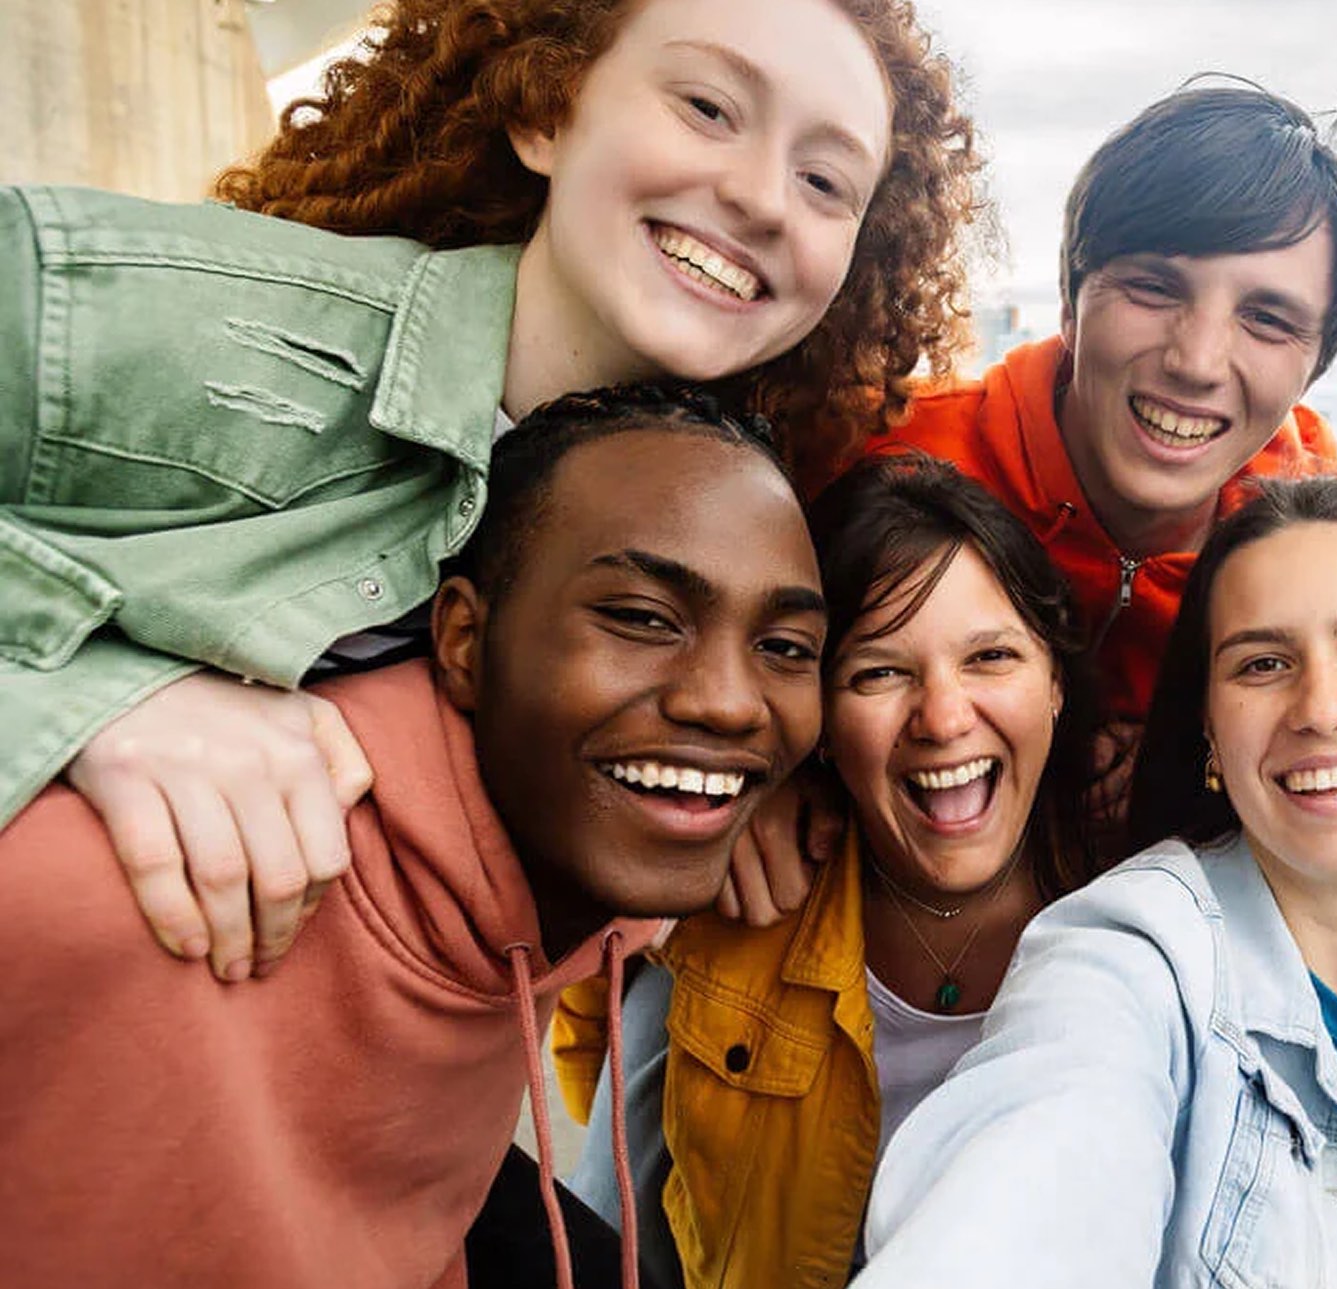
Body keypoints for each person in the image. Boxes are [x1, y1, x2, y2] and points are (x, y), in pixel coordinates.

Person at [2, 0, 981, 982]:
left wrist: (766, 778)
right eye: (709, 108)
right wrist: (87, 695)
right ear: (544, 114)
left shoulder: (737, 506)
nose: (766, 199)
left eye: (824, 181)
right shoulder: (187, 320)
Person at [0, 385, 828, 1289]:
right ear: (465, 639)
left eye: (786, 647)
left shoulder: (570, 869)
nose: (729, 700)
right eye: (639, 618)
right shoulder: (127, 883)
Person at [859, 476, 1337, 1288]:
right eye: (1263, 663)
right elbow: (1036, 1177)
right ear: (1208, 723)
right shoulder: (1126, 962)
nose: (1323, 707)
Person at [549, 454, 1105, 1289]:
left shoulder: (1144, 920)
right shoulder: (719, 929)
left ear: (1055, 679)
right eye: (879, 671)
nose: (945, 719)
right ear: (818, 712)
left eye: (990, 657)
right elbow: (615, 1226)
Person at [874, 78, 1337, 784]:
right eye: (1154, 288)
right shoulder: (891, 455)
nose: (1196, 361)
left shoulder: (1328, 558)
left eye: (1267, 319)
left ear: (1314, 367)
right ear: (1069, 303)